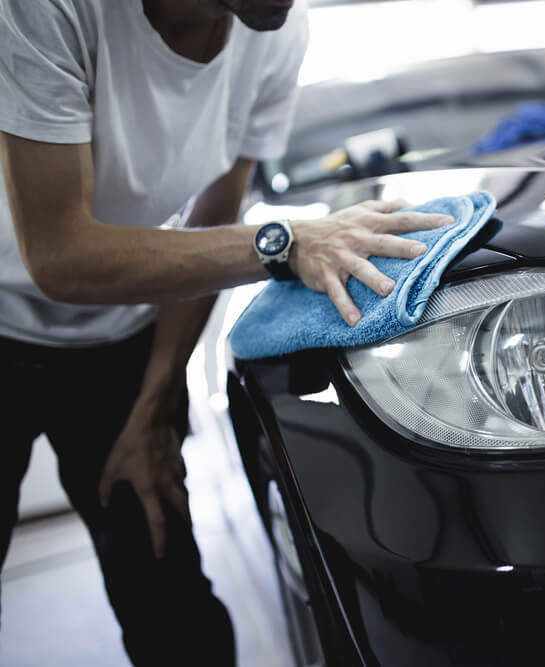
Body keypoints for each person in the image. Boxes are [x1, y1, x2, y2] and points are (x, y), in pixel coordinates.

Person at [0, 1, 452, 664]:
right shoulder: (50, 9)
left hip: (123, 336)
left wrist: (153, 404)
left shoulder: (275, 32)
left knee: (174, 608)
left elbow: (214, 214)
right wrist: (284, 241)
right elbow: (60, 255)